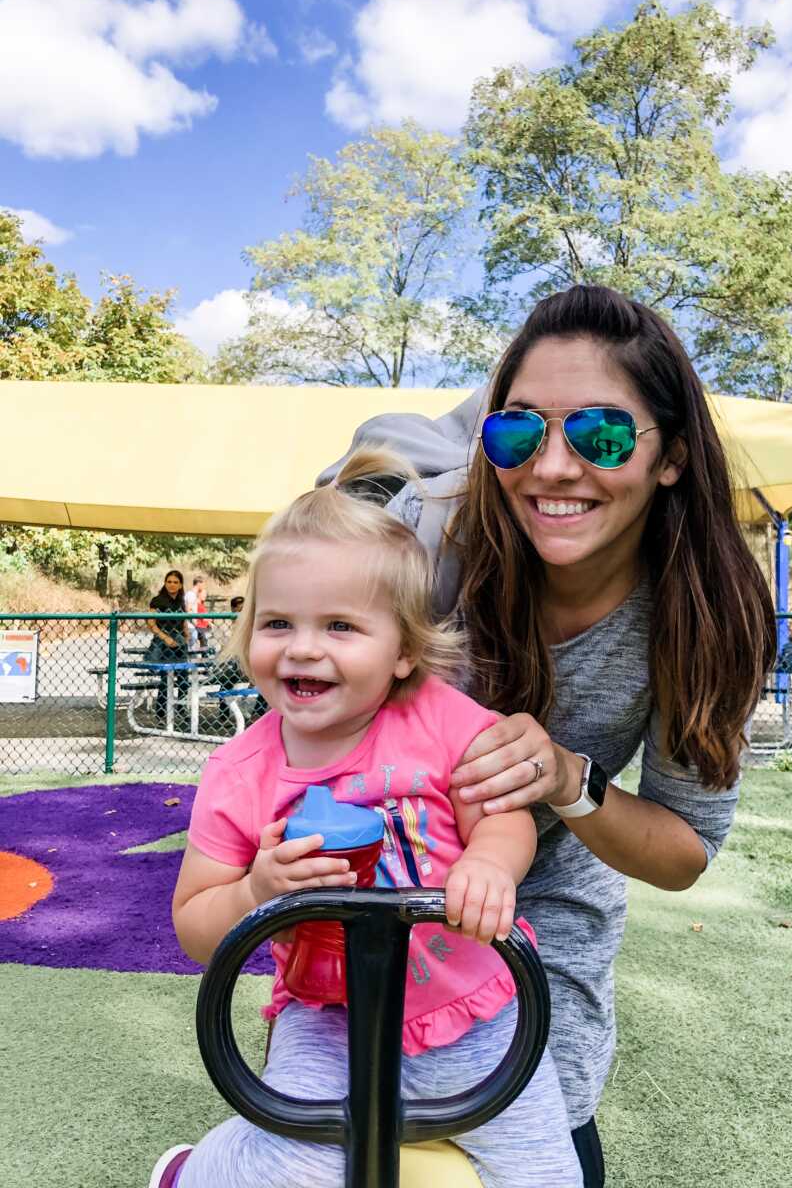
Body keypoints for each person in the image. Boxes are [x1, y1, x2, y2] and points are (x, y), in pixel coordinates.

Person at [317, 283, 777, 1184]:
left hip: (548, 902)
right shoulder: (437, 537)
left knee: (550, 1143)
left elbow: (684, 852)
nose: (553, 468)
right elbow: (310, 730)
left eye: (602, 435)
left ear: (672, 456)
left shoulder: (707, 614)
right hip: (385, 884)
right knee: (344, 1127)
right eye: (518, 434)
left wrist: (570, 779)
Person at [149, 448, 584, 1188]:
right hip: (327, 1014)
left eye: (341, 627)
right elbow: (195, 926)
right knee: (292, 1166)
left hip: (475, 1002)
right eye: (278, 622)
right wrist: (257, 890)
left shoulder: (444, 721)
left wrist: (488, 864)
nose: (305, 648)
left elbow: (502, 820)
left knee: (547, 1178)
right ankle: (193, 1172)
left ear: (406, 650)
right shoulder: (240, 772)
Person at [212, 595, 268, 729]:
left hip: (250, 663)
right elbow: (226, 651)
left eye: (245, 609)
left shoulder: (253, 626)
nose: (242, 613)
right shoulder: (226, 628)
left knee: (265, 682)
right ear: (233, 610)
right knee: (226, 682)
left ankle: (257, 714)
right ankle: (223, 716)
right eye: (239, 609)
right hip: (234, 665)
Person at [146, 570, 191, 723]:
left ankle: (182, 709)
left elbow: (184, 620)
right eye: (169, 582)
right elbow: (151, 624)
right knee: (167, 679)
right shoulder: (157, 601)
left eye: (175, 582)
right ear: (165, 583)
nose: (172, 585)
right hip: (164, 642)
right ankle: (161, 713)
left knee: (184, 678)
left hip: (179, 643)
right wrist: (165, 638)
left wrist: (186, 634)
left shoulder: (181, 601)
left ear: (180, 585)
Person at [184, 575, 209, 652]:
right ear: (199, 583)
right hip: (190, 626)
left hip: (192, 626)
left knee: (192, 649)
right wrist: (195, 623)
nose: (204, 587)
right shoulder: (191, 595)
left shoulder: (193, 595)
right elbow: (188, 609)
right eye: (203, 584)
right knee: (191, 650)